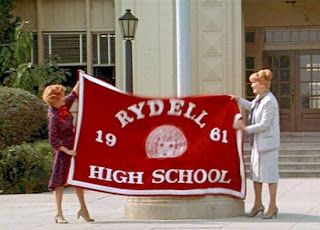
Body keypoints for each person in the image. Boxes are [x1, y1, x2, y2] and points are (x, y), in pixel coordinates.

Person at [42, 82, 94, 224]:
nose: (65, 98)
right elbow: (54, 141)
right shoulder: (53, 116)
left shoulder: (63, 107)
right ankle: (58, 213)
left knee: (78, 180)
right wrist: (68, 151)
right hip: (63, 153)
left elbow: (74, 94)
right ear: (55, 99)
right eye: (62, 96)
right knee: (59, 183)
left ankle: (84, 209)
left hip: (73, 149)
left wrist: (81, 78)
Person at [232, 69, 280, 219]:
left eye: (254, 84)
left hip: (268, 145)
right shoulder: (259, 99)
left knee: (270, 176)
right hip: (257, 145)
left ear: (262, 84)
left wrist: (245, 128)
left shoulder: (269, 101)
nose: (252, 86)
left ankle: (272, 206)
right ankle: (258, 203)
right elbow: (251, 107)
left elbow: (264, 124)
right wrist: (238, 100)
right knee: (256, 176)